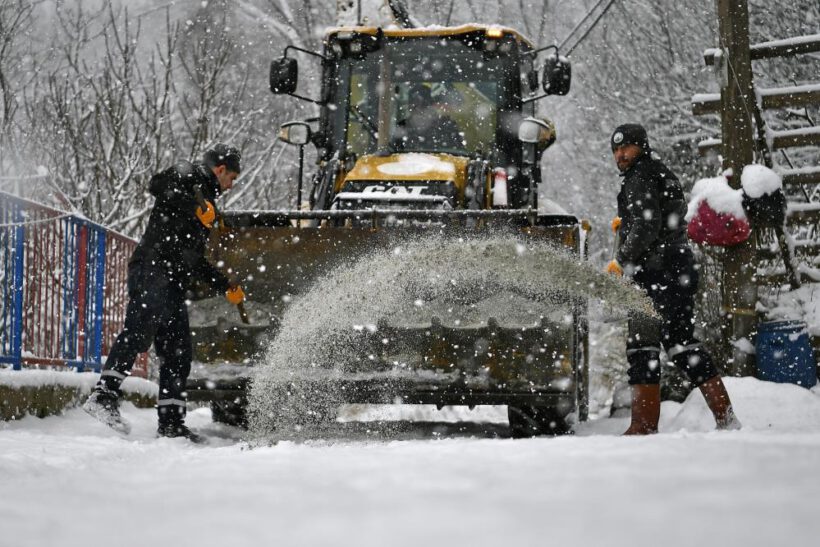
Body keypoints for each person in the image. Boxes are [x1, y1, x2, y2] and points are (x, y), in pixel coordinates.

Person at [83, 144, 245, 442]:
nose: (231, 185)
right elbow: (157, 184)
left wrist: (225, 286)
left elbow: (194, 259)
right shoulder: (188, 175)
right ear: (221, 169)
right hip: (152, 269)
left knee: (178, 354)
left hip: (172, 282)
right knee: (138, 331)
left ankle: (171, 424)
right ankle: (103, 396)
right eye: (231, 178)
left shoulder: (207, 206)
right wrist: (194, 206)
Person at [605, 124, 741, 435]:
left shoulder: (640, 175)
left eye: (626, 148)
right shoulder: (658, 172)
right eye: (616, 150)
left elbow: (647, 225)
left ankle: (642, 425)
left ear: (641, 146)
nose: (620, 155)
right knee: (682, 344)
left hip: (655, 272)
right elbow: (662, 218)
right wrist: (626, 224)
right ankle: (726, 417)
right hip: (677, 268)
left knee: (642, 347)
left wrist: (621, 260)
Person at [395, 83, 463, 151]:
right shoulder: (402, 126)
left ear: (430, 106)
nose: (418, 109)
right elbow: (394, 151)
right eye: (413, 105)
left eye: (423, 105)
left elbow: (458, 152)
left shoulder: (447, 127)